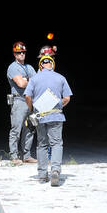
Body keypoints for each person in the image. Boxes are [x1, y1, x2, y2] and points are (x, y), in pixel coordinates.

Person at [24, 45, 72, 187]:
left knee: (42, 145)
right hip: (56, 116)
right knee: (56, 143)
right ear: (52, 63)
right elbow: (67, 97)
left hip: (40, 116)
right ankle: (56, 171)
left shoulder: (34, 79)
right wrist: (57, 105)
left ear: (40, 64)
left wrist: (32, 108)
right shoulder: (61, 78)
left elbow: (27, 95)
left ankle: (42, 175)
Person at [6, 41, 36, 163]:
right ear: (14, 54)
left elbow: (37, 81)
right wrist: (30, 80)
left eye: (23, 52)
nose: (21, 54)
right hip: (19, 100)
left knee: (30, 128)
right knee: (16, 128)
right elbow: (21, 83)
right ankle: (14, 156)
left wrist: (27, 79)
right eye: (18, 52)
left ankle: (26, 155)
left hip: (30, 100)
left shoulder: (29, 67)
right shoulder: (13, 67)